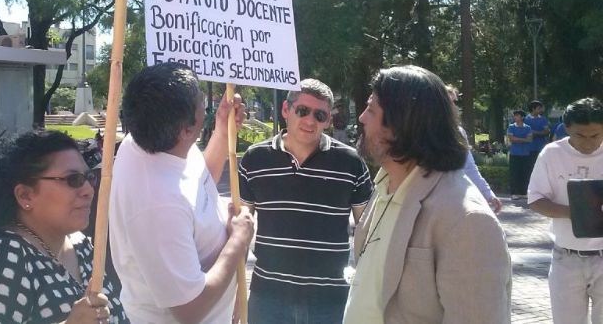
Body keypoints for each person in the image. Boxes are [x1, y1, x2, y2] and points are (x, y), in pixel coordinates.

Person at [343, 65, 511, 324]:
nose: (362, 118)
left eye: (372, 109)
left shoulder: (467, 221)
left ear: (402, 124)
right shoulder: (386, 185)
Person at [109, 62, 255, 324]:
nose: (205, 104)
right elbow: (190, 309)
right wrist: (238, 240)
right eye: (202, 102)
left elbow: (196, 183)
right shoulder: (158, 205)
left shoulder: (144, 141)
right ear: (186, 130)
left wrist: (222, 131)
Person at [0, 130, 127, 323]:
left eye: (89, 178)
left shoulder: (80, 245)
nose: (88, 190)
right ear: (25, 196)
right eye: (73, 180)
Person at [238, 79, 372, 323]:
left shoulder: (350, 163)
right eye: (302, 111)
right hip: (268, 299)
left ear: (328, 120)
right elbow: (240, 229)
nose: (310, 121)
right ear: (285, 110)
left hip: (330, 303)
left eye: (320, 115)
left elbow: (369, 232)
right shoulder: (254, 159)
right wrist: (236, 294)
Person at [527, 97, 603, 324]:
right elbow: (536, 199)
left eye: (596, 135)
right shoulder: (552, 154)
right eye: (580, 135)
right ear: (566, 127)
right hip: (566, 258)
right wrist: (577, 212)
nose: (588, 143)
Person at [445, 85, 503, 213]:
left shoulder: (459, 133)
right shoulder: (420, 132)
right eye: (450, 102)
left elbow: (469, 168)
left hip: (457, 201)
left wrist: (488, 194)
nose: (455, 107)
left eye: (454, 102)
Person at [507, 110, 533, 200]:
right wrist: (523, 139)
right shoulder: (511, 127)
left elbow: (529, 139)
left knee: (525, 173)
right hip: (514, 153)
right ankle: (514, 193)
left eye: (517, 116)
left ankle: (524, 192)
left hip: (525, 154)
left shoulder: (528, 127)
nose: (515, 117)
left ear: (522, 117)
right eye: (515, 116)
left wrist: (517, 139)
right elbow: (511, 138)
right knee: (514, 173)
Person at [525, 100, 550, 175]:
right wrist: (540, 132)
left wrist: (534, 132)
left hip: (541, 147)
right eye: (539, 108)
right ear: (533, 109)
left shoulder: (543, 119)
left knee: (542, 167)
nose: (540, 110)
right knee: (530, 168)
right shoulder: (526, 119)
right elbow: (527, 133)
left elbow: (546, 132)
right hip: (530, 148)